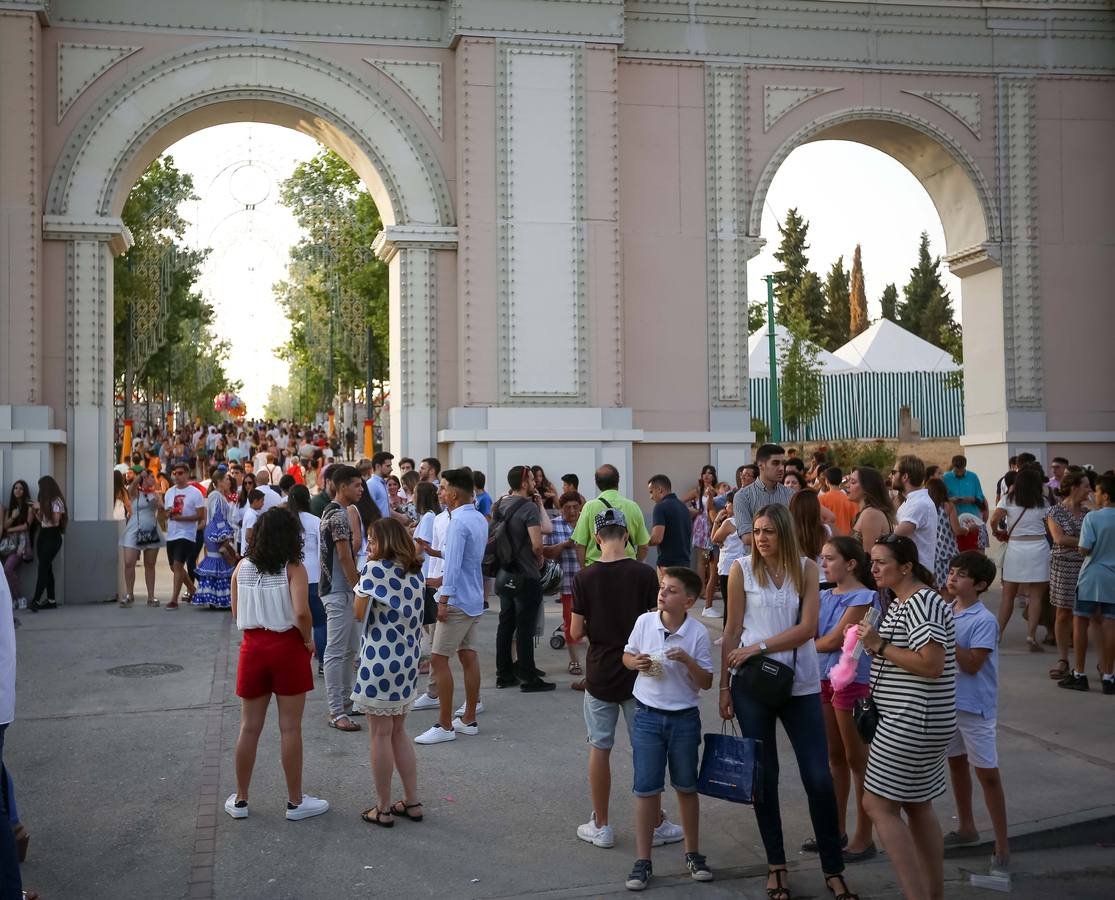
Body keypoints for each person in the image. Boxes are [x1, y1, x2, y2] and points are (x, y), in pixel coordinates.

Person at [720, 505, 853, 900]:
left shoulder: (807, 568)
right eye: (757, 531)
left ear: (784, 534)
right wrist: (724, 690)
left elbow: (807, 629)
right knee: (765, 777)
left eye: (769, 532)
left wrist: (757, 647)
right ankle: (776, 864)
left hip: (800, 684)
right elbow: (731, 629)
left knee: (818, 777)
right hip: (752, 687)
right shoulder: (742, 568)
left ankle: (833, 867)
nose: (761, 538)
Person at [571, 507, 683, 850]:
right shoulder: (644, 574)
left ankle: (601, 825)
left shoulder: (584, 577)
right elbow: (659, 623)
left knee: (600, 747)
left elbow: (575, 632)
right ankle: (657, 821)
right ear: (628, 535)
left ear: (595, 537)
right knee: (645, 749)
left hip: (601, 672)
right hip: (641, 674)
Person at [856, 534, 956, 900]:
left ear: (906, 566)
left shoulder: (921, 602)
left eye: (881, 562)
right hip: (917, 718)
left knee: (877, 804)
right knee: (916, 804)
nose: (874, 568)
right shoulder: (903, 602)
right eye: (873, 561)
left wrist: (879, 645)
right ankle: (931, 894)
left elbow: (932, 664)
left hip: (911, 719)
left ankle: (917, 895)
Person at [225, 508, 329, 822]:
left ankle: (241, 798)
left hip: (253, 647)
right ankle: (296, 801)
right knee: (290, 728)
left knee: (249, 727)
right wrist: (308, 639)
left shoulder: (242, 566)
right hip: (286, 648)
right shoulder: (293, 567)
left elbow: (235, 609)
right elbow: (301, 613)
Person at [622, 566, 715, 891]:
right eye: (663, 587)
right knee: (646, 789)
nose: (663, 593)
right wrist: (636, 663)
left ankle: (693, 853)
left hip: (683, 719)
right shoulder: (645, 622)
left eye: (672, 590)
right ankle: (643, 860)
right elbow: (627, 655)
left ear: (688, 601)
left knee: (687, 787)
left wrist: (687, 660)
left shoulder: (697, 633)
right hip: (647, 715)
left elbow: (706, 681)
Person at [807, 537, 879, 861]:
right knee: (834, 758)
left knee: (857, 760)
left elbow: (834, 639)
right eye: (823, 558)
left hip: (850, 682)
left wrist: (800, 643)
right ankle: (834, 831)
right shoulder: (823, 593)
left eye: (830, 558)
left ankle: (865, 837)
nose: (824, 564)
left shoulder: (865, 597)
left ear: (850, 563)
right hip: (823, 678)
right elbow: (812, 632)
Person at [351, 518, 425, 826]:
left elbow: (358, 612)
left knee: (379, 735)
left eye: (372, 539)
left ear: (386, 542)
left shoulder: (374, 570)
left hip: (379, 661)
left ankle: (381, 807)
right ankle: (412, 800)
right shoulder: (415, 574)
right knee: (398, 732)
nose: (368, 545)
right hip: (407, 661)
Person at [943, 552, 1010, 878]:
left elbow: (971, 664)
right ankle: (966, 826)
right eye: (952, 571)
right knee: (956, 764)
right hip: (949, 703)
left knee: (987, 774)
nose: (953, 577)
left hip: (975, 706)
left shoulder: (983, 620)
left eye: (962, 575)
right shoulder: (946, 610)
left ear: (981, 585)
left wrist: (945, 638)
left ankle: (1002, 845)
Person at [414, 468, 488, 744]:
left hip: (456, 600)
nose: (440, 493)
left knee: (438, 659)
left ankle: (444, 725)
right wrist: (439, 553)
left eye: (443, 488)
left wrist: (442, 601)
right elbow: (466, 556)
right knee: (468, 656)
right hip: (472, 599)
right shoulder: (478, 518)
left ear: (454, 493)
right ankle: (468, 717)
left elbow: (455, 566)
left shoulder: (457, 522)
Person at [493, 465, 553, 692]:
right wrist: (539, 558)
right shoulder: (528, 508)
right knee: (525, 629)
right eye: (531, 479)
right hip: (526, 575)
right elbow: (537, 543)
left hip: (505, 573)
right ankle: (529, 677)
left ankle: (504, 674)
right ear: (524, 483)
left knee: (505, 624)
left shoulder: (500, 504)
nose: (535, 483)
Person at [319, 465, 365, 732]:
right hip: (339, 591)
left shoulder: (330, 510)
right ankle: (337, 711)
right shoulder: (338, 515)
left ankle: (346, 703)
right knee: (336, 653)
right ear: (342, 486)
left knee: (348, 650)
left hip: (339, 589)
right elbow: (345, 555)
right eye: (357, 485)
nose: (360, 489)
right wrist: (357, 585)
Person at [1062, 473, 1115, 693]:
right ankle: (1109, 675)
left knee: (1080, 622)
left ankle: (1079, 672)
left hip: (1091, 575)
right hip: (1113, 578)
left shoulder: (1092, 518)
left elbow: (1085, 548)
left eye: (1099, 492)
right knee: (1110, 624)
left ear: (1107, 496)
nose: (1095, 495)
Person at [990, 466, 1051, 649]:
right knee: (1036, 597)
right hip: (1039, 547)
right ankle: (1031, 636)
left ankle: (998, 634)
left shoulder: (1008, 499)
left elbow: (994, 519)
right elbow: (1050, 524)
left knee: (1008, 595)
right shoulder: (1043, 502)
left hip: (1016, 547)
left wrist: (996, 531)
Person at [1046, 471, 1092, 682]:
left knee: (1088, 616)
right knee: (1063, 614)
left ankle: (1092, 664)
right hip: (1063, 566)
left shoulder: (1089, 512)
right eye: (1086, 486)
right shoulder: (1055, 511)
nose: (1089, 490)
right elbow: (1058, 538)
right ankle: (1063, 659)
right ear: (1074, 487)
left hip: (1087, 567)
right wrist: (1085, 543)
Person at [572, 465, 651, 568]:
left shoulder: (589, 507)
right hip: (627, 569)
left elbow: (580, 545)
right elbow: (644, 546)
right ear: (618, 481)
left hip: (596, 569)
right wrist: (636, 564)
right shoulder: (633, 506)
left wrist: (584, 569)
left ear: (597, 484)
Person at [544, 491, 585, 684]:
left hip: (588, 583)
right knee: (570, 623)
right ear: (561, 509)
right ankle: (574, 660)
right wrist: (564, 545)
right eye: (567, 507)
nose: (572, 511)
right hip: (568, 584)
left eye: (575, 507)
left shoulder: (586, 524)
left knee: (593, 622)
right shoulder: (554, 526)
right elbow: (545, 553)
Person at [287, 485, 325, 675]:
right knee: (319, 621)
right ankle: (322, 663)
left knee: (293, 622)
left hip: (290, 579)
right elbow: (322, 552)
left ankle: (296, 662)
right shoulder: (316, 521)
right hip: (313, 577)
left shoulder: (286, 521)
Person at [119, 470, 165, 607]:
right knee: (129, 562)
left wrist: (161, 505)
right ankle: (129, 594)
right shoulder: (134, 492)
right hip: (134, 528)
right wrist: (139, 477)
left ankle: (151, 596)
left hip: (151, 528)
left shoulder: (155, 494)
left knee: (150, 564)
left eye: (154, 477)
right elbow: (132, 488)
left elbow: (162, 509)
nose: (153, 479)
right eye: (151, 477)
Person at [192, 470, 237, 610]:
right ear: (218, 481)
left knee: (217, 561)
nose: (228, 482)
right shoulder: (217, 496)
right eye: (226, 479)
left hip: (213, 530)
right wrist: (224, 533)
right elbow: (218, 516)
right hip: (216, 531)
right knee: (218, 561)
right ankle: (218, 598)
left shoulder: (216, 495)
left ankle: (215, 597)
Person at [733, 444, 793, 548]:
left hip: (785, 560)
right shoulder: (743, 496)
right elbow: (746, 537)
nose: (781, 468)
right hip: (756, 562)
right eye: (775, 463)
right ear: (761, 465)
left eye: (783, 463)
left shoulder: (791, 494)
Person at [162, 462, 204, 610]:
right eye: (175, 473)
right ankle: (193, 590)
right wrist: (169, 513)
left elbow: (200, 515)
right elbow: (165, 513)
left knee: (179, 564)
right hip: (172, 534)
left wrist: (182, 519)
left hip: (187, 534)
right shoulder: (169, 493)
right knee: (175, 567)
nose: (177, 476)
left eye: (180, 473)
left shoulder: (195, 493)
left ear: (187, 474)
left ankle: (174, 599)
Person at [892, 455, 938, 579]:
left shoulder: (919, 504)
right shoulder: (911, 502)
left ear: (905, 476)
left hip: (917, 574)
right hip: (911, 571)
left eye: (894, 472)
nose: (891, 476)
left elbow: (895, 535)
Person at [26, 476, 67, 612]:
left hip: (53, 536)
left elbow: (55, 521)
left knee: (43, 568)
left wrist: (41, 507)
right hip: (43, 534)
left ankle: (36, 600)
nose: (40, 490)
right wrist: (35, 511)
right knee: (46, 567)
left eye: (41, 487)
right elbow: (42, 520)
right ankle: (51, 600)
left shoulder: (57, 501)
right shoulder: (46, 501)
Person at [646, 475, 693, 582]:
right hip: (685, 564)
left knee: (666, 597)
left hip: (668, 566)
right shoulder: (683, 507)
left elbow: (657, 538)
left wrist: (641, 542)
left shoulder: (660, 507)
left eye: (651, 492)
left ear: (659, 489)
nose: (651, 497)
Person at [926, 478, 965, 599]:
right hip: (949, 553)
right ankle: (947, 616)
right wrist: (968, 529)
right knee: (948, 591)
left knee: (932, 591)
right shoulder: (948, 506)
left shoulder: (926, 508)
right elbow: (957, 530)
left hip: (932, 555)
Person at [942, 455, 988, 549]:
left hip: (973, 520)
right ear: (953, 466)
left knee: (976, 553)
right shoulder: (945, 477)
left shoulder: (973, 477)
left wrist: (972, 499)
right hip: (955, 523)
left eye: (961, 470)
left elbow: (980, 497)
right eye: (956, 470)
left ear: (965, 466)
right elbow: (941, 498)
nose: (959, 473)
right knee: (958, 554)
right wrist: (951, 500)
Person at [2, 482, 34, 608]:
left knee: (7, 569)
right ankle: (15, 599)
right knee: (8, 571)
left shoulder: (29, 507)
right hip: (9, 545)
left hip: (21, 544)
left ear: (24, 491)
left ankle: (20, 598)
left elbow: (27, 525)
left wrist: (10, 530)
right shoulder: (10, 508)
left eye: (21, 488)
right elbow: (5, 525)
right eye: (15, 488)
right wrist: (13, 517)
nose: (18, 490)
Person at [847, 467, 895, 550]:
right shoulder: (867, 512)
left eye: (853, 482)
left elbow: (869, 555)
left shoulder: (871, 514)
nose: (847, 485)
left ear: (867, 488)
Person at [818, 468, 858, 537]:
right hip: (846, 538)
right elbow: (854, 522)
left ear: (826, 481)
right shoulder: (850, 499)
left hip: (830, 538)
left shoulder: (821, 499)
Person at [365, 451, 393, 519]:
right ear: (378, 466)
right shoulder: (371, 484)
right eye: (388, 466)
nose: (391, 469)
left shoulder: (382, 483)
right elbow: (369, 511)